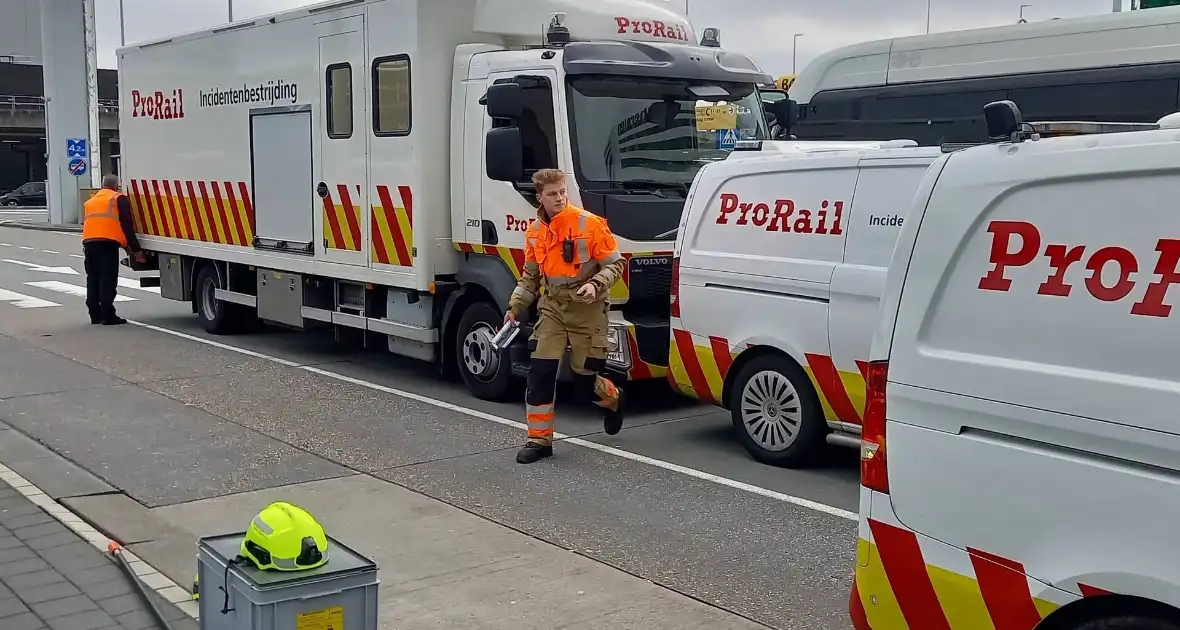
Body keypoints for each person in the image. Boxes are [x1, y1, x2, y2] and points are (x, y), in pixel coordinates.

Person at [504, 168, 627, 464]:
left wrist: (595, 284)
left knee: (584, 381)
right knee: (540, 373)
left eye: (562, 192)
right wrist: (514, 309)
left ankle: (614, 398)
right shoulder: (535, 232)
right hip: (553, 309)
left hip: (588, 309)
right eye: (552, 194)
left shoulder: (590, 224)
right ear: (540, 197)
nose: (559, 198)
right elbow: (529, 278)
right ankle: (539, 440)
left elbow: (616, 265)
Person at [82, 174, 143, 325]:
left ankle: (94, 314)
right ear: (116, 185)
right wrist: (135, 249)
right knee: (107, 279)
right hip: (108, 244)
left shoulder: (91, 200)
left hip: (89, 243)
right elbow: (126, 225)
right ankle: (108, 315)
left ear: (103, 185)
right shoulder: (118, 198)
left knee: (93, 279)